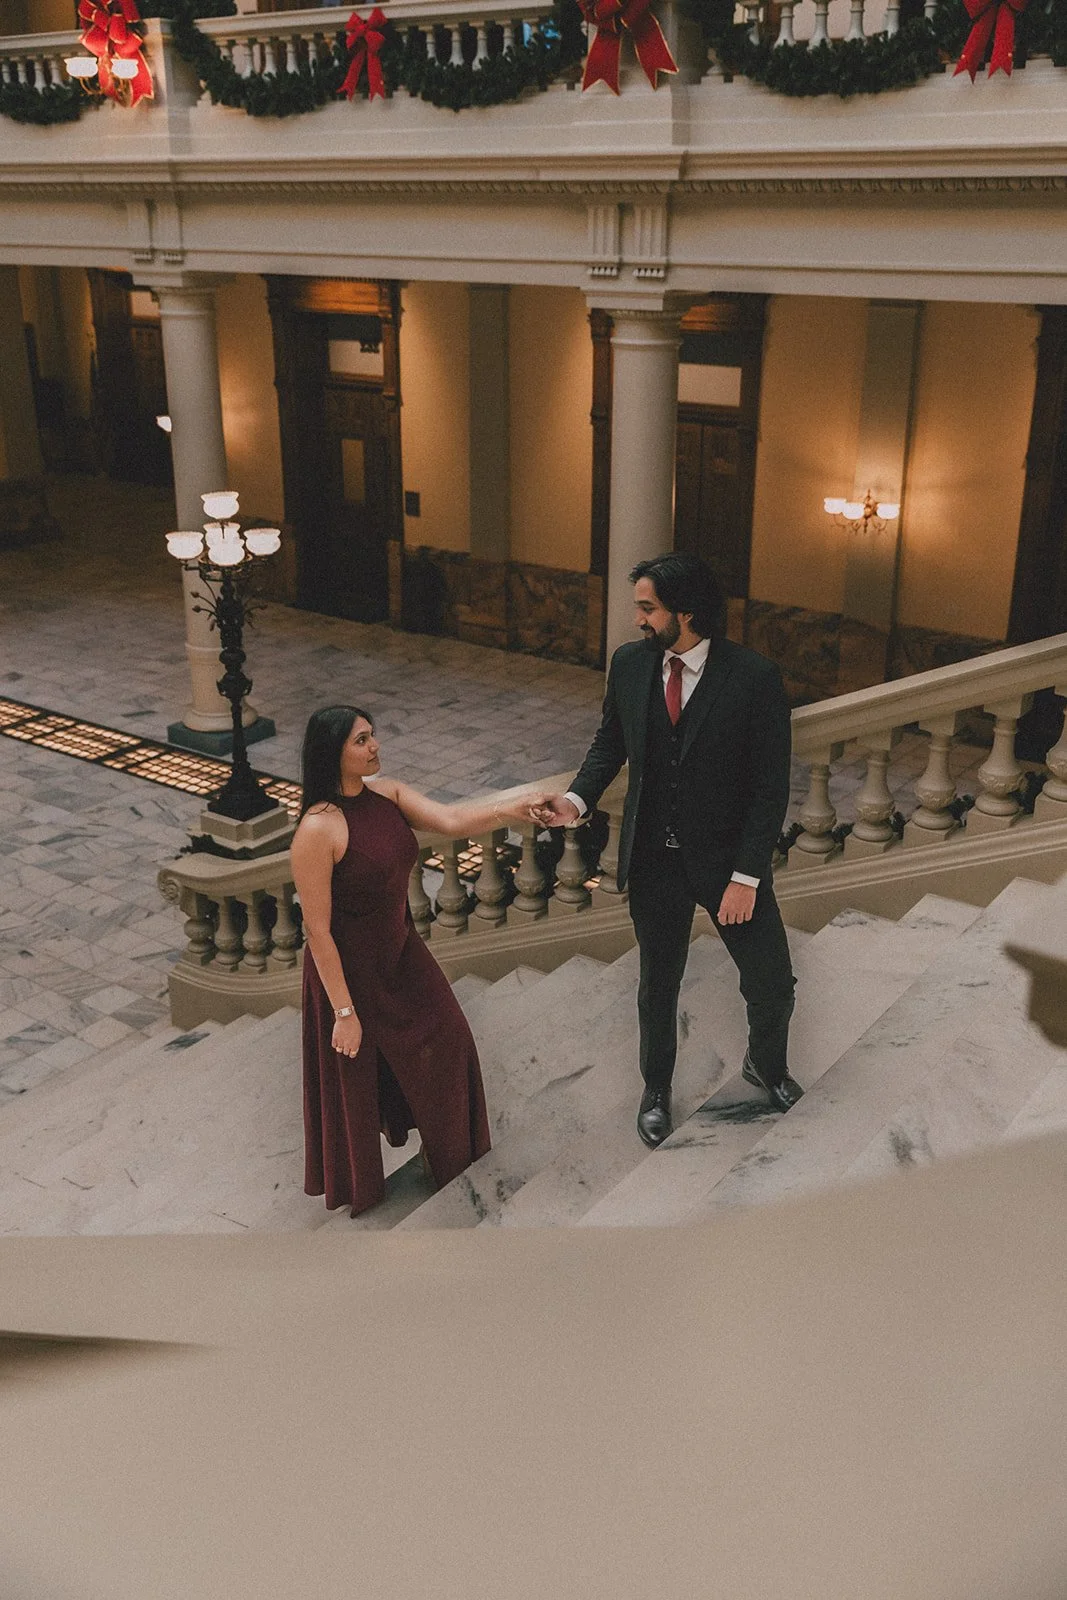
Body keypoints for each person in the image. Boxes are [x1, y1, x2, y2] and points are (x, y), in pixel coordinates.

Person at [534, 552, 801, 1149]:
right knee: (658, 986)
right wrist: (575, 801)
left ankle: (766, 1065)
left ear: (687, 612)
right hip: (654, 861)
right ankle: (655, 1090)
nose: (638, 620)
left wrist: (747, 876)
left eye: (648, 609)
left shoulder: (754, 677)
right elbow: (609, 744)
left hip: (728, 865)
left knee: (772, 981)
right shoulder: (629, 665)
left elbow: (769, 789)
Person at [291, 705, 543, 1217]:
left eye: (372, 736)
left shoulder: (388, 794)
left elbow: (451, 820)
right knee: (356, 1083)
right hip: (349, 973)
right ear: (332, 752)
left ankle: (452, 1159)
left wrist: (516, 808)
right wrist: (344, 1013)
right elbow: (317, 931)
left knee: (451, 1042)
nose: (374, 747)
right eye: (361, 740)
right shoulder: (317, 830)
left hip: (402, 953)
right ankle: (363, 1187)